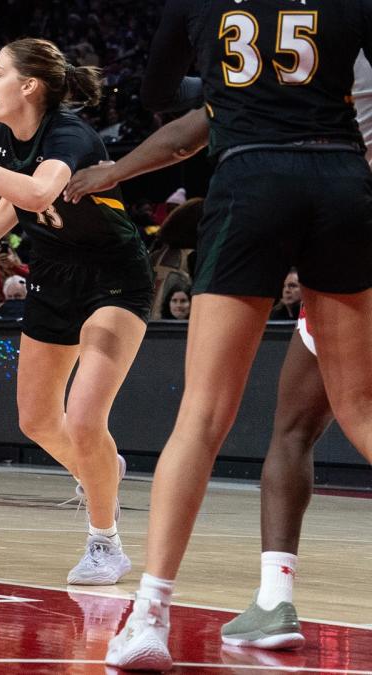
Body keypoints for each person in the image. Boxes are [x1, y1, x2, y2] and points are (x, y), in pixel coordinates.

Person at [103, 2, 372, 669]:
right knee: (362, 409)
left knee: (202, 415)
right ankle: (267, 598)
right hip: (341, 179)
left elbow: (157, 92)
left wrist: (226, 78)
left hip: (252, 177)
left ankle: (150, 616)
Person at [0, 38, 153, 586]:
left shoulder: (70, 134)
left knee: (84, 418)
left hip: (112, 276)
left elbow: (37, 193)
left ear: (29, 85)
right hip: (54, 278)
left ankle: (106, 545)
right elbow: (14, 198)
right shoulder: (5, 135)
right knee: (35, 419)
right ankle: (100, 468)